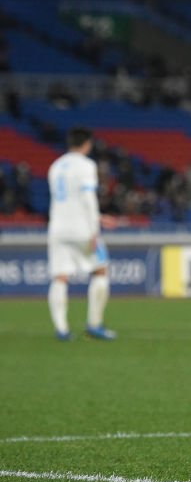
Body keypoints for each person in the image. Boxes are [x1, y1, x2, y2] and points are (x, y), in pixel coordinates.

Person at [47, 126, 114, 341]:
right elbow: (87, 198)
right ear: (87, 144)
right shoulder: (86, 165)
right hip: (82, 228)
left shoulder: (55, 166)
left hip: (57, 228)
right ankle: (94, 325)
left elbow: (66, 200)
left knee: (60, 277)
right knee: (101, 270)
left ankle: (62, 330)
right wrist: (95, 228)